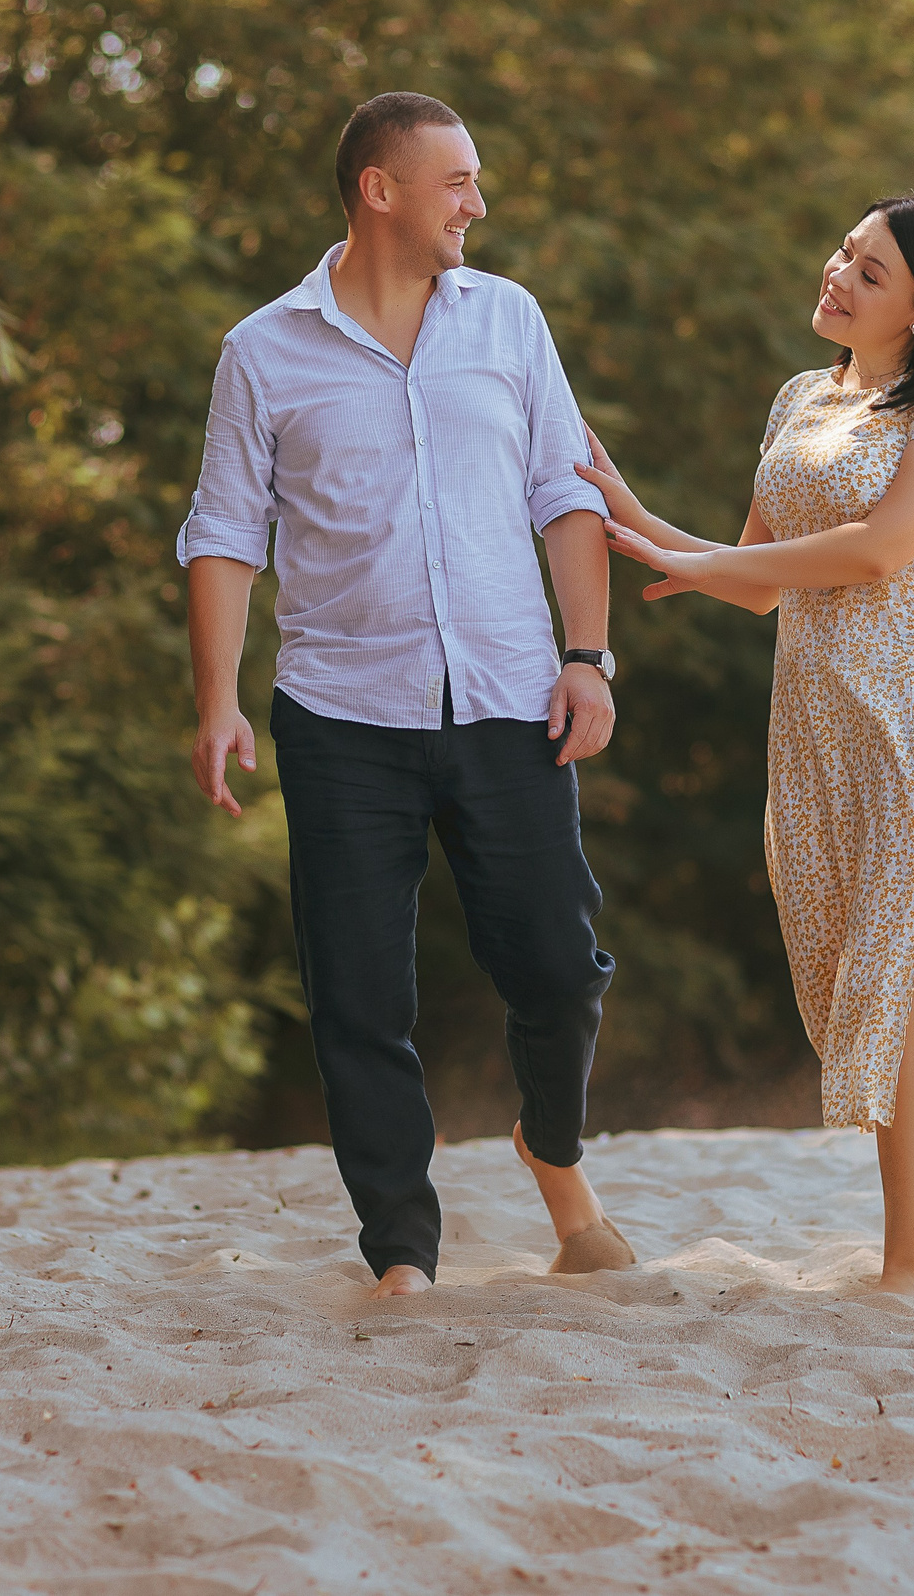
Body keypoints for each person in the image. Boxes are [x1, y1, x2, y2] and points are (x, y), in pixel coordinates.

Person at [178, 92, 634, 1299]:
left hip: (507, 698)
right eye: (457, 184)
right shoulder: (262, 351)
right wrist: (217, 699)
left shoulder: (510, 322)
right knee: (359, 996)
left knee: (556, 965)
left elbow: (565, 490)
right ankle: (401, 1250)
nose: (477, 206)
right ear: (379, 190)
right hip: (339, 718)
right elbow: (223, 531)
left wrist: (586, 658)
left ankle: (551, 1143)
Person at [576, 194, 914, 1295]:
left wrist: (686, 563)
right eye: (845, 253)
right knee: (842, 988)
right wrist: (631, 514)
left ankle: (905, 1271)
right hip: (817, 723)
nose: (837, 275)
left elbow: (881, 551)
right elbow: (753, 583)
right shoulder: (797, 399)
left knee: (896, 982)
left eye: (870, 273)